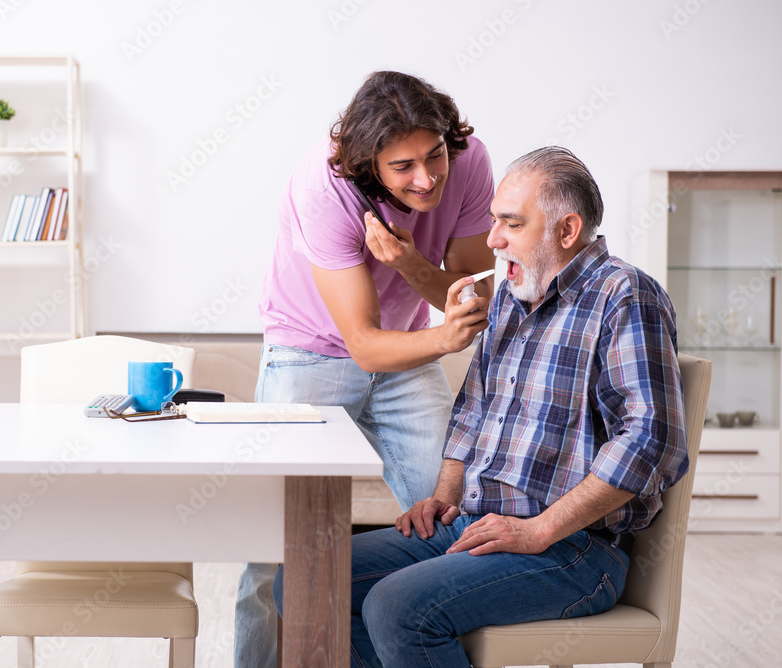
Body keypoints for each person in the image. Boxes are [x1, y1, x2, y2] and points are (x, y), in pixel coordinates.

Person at [273, 146, 689, 667]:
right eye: (493, 221)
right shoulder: (512, 301)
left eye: (510, 224)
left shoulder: (625, 296)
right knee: (305, 580)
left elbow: (651, 439)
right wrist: (443, 496)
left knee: (398, 606)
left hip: (573, 548)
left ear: (566, 230)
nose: (492, 241)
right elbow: (472, 412)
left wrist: (539, 529)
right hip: (474, 524)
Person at [237, 71, 496, 667]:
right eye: (403, 166)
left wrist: (407, 261)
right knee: (271, 549)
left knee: (456, 514)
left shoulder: (471, 160)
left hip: (406, 348)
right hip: (310, 351)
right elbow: (362, 343)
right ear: (368, 164)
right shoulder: (325, 187)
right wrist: (444, 332)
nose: (426, 178)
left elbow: (463, 290)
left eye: (434, 156)